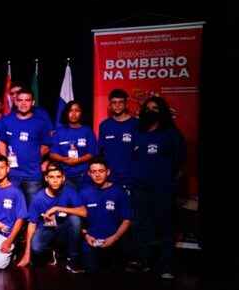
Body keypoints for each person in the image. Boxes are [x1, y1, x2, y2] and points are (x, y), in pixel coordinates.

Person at [130, 96, 186, 279]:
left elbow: (180, 163)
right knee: (141, 226)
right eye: (148, 107)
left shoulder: (171, 134)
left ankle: (166, 266)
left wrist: (169, 183)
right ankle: (143, 262)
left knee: (165, 227)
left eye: (155, 108)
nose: (151, 111)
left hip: (162, 189)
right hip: (139, 188)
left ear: (162, 111)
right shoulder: (138, 133)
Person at [17, 163, 87, 273]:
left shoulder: (69, 191)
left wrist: (58, 208)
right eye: (52, 177)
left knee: (75, 219)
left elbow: (84, 212)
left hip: (63, 229)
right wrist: (27, 254)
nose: (55, 180)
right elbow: (32, 224)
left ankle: (73, 260)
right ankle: (51, 251)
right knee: (36, 248)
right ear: (46, 179)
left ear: (63, 178)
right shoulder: (38, 198)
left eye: (58, 177)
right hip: (47, 230)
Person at [0, 88, 52, 206]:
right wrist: (4, 161)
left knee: (33, 210)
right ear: (15, 102)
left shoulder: (41, 122)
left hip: (32, 175)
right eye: (20, 100)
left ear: (32, 102)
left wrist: (34, 157)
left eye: (27, 100)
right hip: (12, 174)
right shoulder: (7, 121)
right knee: (11, 209)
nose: (23, 103)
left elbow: (46, 146)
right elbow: (1, 142)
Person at [80, 158, 132, 273]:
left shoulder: (119, 192)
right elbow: (79, 220)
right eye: (94, 172)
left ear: (108, 172)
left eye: (101, 171)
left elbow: (127, 220)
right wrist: (86, 236)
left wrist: (114, 238)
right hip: (91, 242)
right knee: (91, 274)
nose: (97, 175)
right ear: (89, 174)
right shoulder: (84, 193)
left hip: (114, 241)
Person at [49, 101, 97, 189]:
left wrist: (78, 160)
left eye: (77, 110)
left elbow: (92, 152)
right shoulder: (59, 132)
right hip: (64, 176)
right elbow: (52, 154)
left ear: (81, 113)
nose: (73, 114)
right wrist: (64, 159)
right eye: (70, 111)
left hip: (84, 175)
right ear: (66, 113)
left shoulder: (87, 130)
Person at [98, 89, 138, 189]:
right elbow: (100, 151)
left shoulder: (136, 124)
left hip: (131, 177)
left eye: (121, 102)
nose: (117, 105)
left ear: (126, 104)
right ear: (110, 105)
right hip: (110, 177)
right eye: (114, 103)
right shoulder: (104, 125)